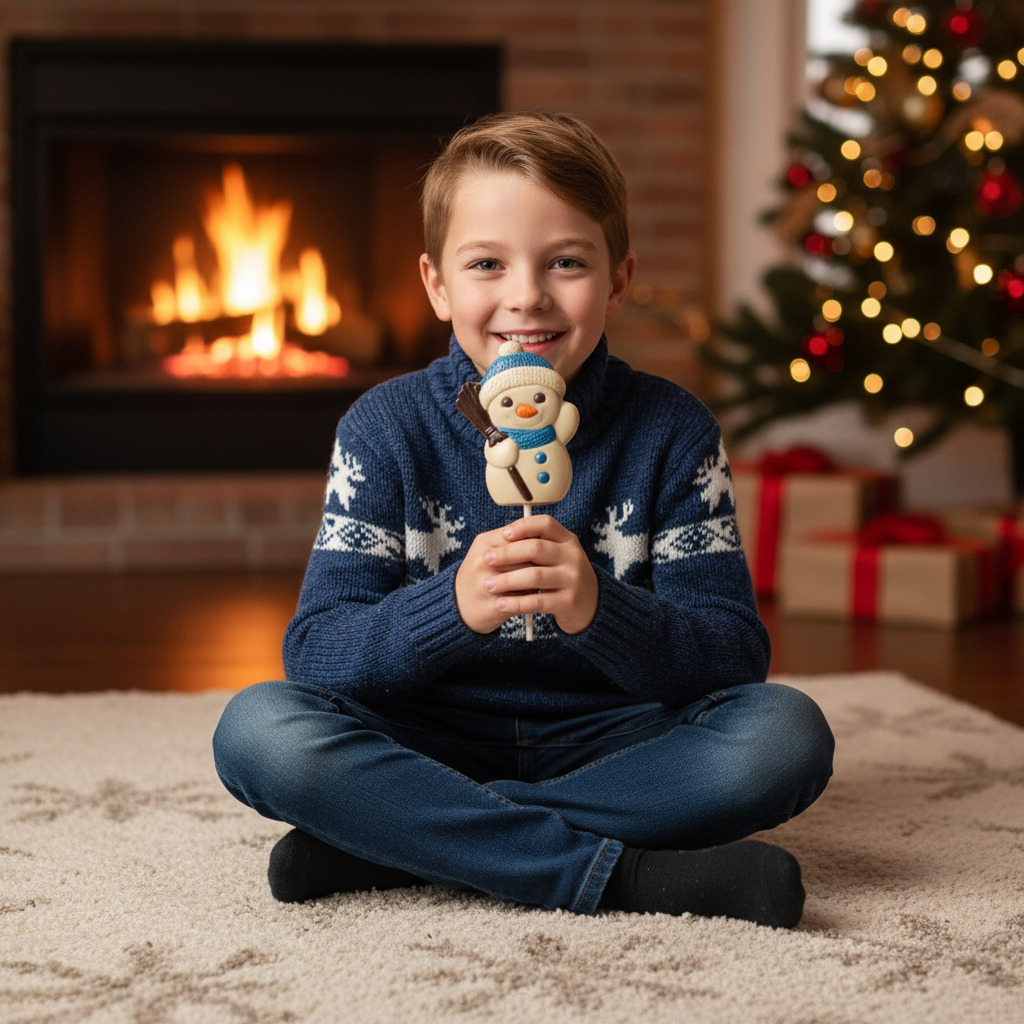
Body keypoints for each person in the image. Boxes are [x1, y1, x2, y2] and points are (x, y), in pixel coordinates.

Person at [213, 111, 834, 928]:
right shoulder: (384, 429)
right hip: (427, 733)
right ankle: (626, 877)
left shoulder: (673, 432)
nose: (527, 296)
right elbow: (318, 654)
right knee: (259, 731)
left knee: (784, 737)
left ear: (619, 278)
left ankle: (393, 839)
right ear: (437, 284)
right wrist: (452, 610)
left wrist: (600, 611)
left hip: (619, 740)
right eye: (486, 264)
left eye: (567, 262)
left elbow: (732, 657)